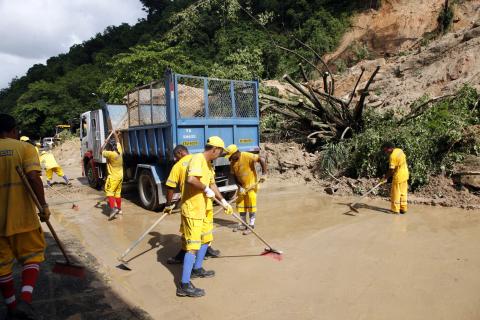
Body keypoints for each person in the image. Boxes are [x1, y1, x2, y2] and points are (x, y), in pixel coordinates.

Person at [0, 114, 51, 319]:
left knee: (2, 265)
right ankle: (25, 300)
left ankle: (12, 308)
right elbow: (34, 179)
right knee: (32, 255)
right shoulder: (25, 148)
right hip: (22, 218)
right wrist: (43, 206)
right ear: (13, 130)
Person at [176, 136, 233, 298]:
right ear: (214, 149)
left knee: (206, 239)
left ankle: (197, 268)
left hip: (204, 208)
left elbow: (213, 184)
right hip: (193, 210)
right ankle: (184, 285)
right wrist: (204, 188)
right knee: (192, 247)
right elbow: (191, 179)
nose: (220, 155)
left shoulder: (208, 164)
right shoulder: (197, 159)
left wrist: (223, 201)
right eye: (220, 153)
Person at [164, 145, 220, 265]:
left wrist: (168, 205)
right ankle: (206, 250)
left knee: (188, 233)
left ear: (180, 153)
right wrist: (223, 201)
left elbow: (170, 187)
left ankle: (185, 257)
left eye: (175, 156)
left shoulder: (178, 166)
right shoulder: (202, 160)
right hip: (206, 204)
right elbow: (211, 184)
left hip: (191, 206)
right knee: (206, 232)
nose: (175, 159)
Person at [225, 144, 267, 235]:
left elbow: (262, 159)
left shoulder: (246, 155)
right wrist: (239, 187)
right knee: (240, 204)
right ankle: (244, 224)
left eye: (231, 156)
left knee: (251, 205)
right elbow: (234, 176)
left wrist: (264, 174)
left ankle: (251, 226)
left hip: (251, 186)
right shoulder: (232, 162)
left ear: (236, 153)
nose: (230, 158)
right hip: (242, 188)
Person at [100, 131, 123, 220]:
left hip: (113, 177)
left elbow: (100, 151)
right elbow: (118, 142)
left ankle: (113, 209)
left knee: (109, 192)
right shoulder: (120, 151)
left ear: (110, 147)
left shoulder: (110, 154)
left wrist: (105, 143)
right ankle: (119, 209)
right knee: (117, 193)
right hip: (120, 176)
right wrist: (114, 134)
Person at [381, 142, 409, 214]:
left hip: (398, 176)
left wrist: (385, 178)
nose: (385, 152)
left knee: (395, 193)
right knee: (403, 192)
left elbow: (391, 170)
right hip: (405, 174)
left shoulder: (392, 157)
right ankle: (403, 208)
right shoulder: (399, 150)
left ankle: (395, 210)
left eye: (386, 150)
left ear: (390, 148)